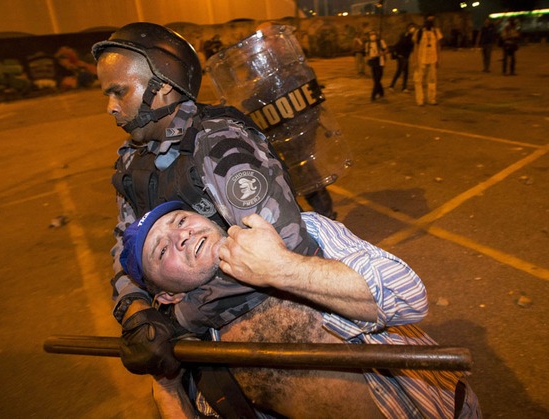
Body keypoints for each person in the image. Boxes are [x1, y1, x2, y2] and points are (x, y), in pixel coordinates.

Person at [91, 22, 320, 378]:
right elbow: (126, 244)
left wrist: (179, 320)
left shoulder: (218, 143)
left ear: (162, 86)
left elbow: (285, 249)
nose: (110, 107)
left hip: (272, 323)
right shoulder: (133, 161)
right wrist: (136, 311)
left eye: (119, 92)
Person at [121, 201, 482, 418]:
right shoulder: (203, 354)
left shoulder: (296, 234)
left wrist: (281, 267)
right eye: (161, 250)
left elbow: (409, 297)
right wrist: (166, 389)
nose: (180, 236)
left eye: (180, 220)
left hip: (447, 407)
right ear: (167, 297)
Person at [413, 14, 443, 106]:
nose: (430, 21)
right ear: (424, 20)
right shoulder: (419, 32)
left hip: (433, 59)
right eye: (428, 20)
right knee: (418, 80)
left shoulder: (436, 31)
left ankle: (432, 99)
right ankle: (420, 100)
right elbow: (416, 47)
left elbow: (438, 46)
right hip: (421, 59)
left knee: (432, 80)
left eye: (432, 20)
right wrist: (415, 60)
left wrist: (438, 59)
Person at [389, 23, 416, 93]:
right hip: (401, 56)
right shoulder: (405, 35)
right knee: (399, 71)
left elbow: (411, 47)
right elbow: (401, 44)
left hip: (406, 56)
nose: (412, 29)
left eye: (413, 28)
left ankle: (404, 87)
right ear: (408, 28)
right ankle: (392, 86)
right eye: (411, 28)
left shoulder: (412, 37)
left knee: (406, 72)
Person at [365, 30, 388, 102]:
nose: (372, 36)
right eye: (371, 35)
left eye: (373, 34)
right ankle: (381, 92)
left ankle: (373, 95)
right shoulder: (367, 44)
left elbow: (386, 50)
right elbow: (366, 53)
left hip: (380, 61)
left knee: (378, 78)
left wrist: (382, 53)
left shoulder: (380, 42)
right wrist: (368, 59)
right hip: (372, 61)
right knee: (375, 79)